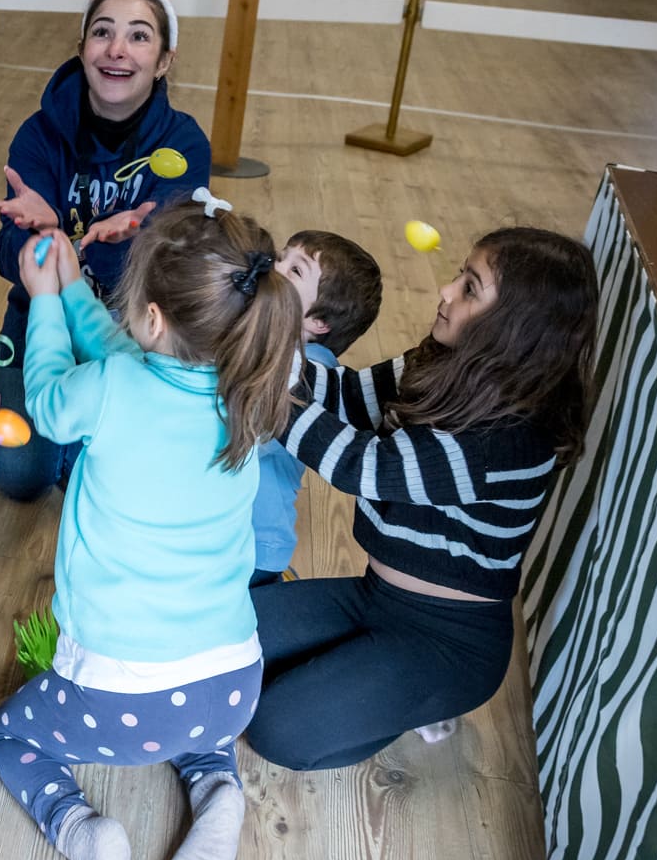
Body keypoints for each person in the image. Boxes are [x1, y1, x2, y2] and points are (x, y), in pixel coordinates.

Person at [0, 198, 302, 860]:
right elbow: (131, 353)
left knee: (9, 739)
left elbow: (59, 400)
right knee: (191, 715)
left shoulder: (116, 388)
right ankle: (216, 781)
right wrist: (74, 288)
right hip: (230, 687)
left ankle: (85, 831)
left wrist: (45, 307)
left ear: (153, 319)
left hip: (117, 693)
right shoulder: (247, 393)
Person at [242, 227, 598, 771]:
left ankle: (410, 704)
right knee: (217, 640)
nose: (445, 291)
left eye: (470, 289)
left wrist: (267, 377)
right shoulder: (442, 365)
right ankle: (370, 683)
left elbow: (363, 466)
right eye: (460, 275)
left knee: (275, 729)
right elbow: (346, 397)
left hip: (446, 643)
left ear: (518, 329)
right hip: (373, 596)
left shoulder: (510, 434)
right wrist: (274, 350)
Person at [0, 0, 209, 501]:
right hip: (41, 313)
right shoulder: (38, 134)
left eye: (139, 36)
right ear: (82, 45)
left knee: (114, 478)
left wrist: (120, 253)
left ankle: (77, 435)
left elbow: (175, 274)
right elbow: (10, 253)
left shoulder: (184, 146)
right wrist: (43, 238)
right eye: (103, 31)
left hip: (134, 330)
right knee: (19, 478)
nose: (117, 49)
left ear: (164, 61)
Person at [252, 230, 383, 583]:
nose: (274, 266)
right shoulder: (264, 337)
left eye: (295, 270)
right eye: (282, 257)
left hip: (254, 539)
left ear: (318, 322)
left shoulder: (315, 371)